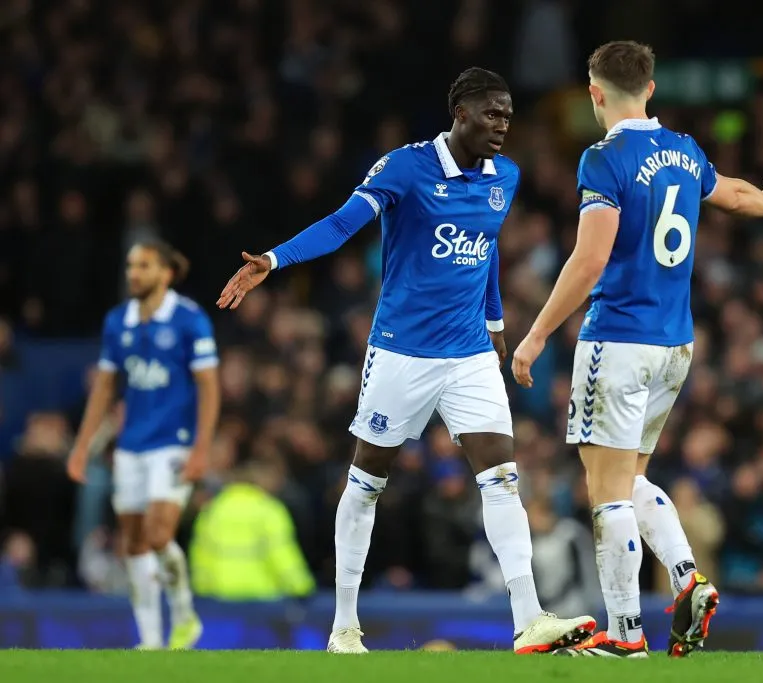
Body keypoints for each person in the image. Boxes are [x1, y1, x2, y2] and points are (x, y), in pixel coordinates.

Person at [217, 67, 595, 655]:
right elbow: (342, 224)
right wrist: (275, 259)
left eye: (508, 115)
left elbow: (485, 249)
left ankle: (529, 619)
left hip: (469, 354)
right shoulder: (405, 167)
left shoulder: (506, 176)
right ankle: (344, 626)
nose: (502, 125)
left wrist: (495, 323)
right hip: (401, 352)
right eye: (492, 113)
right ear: (460, 114)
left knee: (502, 478)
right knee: (367, 481)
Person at [512, 41, 763, 658]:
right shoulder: (685, 150)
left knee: (606, 490)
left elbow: (590, 259)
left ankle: (626, 635)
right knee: (631, 475)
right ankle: (687, 576)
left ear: (595, 94)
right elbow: (733, 194)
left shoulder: (603, 159)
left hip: (618, 339)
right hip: (675, 345)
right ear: (651, 89)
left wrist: (536, 334)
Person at [68, 242, 220, 650]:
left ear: (165, 273)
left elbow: (209, 386)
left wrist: (202, 448)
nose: (133, 273)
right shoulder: (118, 321)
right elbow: (104, 386)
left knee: (157, 533)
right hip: (130, 445)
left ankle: (184, 615)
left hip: (174, 442)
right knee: (134, 541)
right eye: (131, 265)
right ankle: (151, 639)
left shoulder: (189, 319)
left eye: (144, 266)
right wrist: (82, 446)